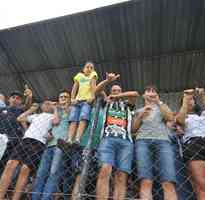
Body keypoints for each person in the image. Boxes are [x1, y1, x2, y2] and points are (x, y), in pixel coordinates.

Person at [0, 100, 59, 200]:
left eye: (49, 103)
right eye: (45, 103)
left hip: (39, 143)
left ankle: (15, 198)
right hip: (26, 140)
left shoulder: (52, 116)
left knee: (25, 169)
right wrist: (31, 110)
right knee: (10, 164)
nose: (47, 104)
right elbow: (20, 118)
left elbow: (56, 122)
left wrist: (55, 108)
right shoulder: (36, 115)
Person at [95, 72, 139, 200]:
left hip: (126, 142)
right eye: (113, 90)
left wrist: (118, 96)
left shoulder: (127, 105)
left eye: (118, 90)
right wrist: (107, 81)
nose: (115, 92)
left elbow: (135, 94)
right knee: (105, 170)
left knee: (121, 175)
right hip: (107, 139)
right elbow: (97, 90)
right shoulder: (106, 102)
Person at [132, 85, 177, 200]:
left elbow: (170, 118)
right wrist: (140, 116)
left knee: (168, 181)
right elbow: (133, 129)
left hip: (163, 141)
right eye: (148, 91)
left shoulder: (161, 106)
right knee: (145, 181)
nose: (151, 93)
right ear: (144, 95)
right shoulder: (138, 110)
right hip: (142, 141)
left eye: (153, 91)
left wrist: (158, 102)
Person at [32, 91, 71, 200]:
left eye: (65, 97)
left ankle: (46, 198)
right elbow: (53, 123)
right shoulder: (55, 111)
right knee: (41, 173)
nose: (63, 98)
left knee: (54, 172)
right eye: (61, 96)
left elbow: (57, 121)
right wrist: (54, 108)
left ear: (69, 99)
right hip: (49, 144)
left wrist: (57, 107)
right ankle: (35, 197)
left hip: (61, 144)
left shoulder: (72, 109)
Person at [62, 61, 98, 146]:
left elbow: (93, 86)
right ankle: (70, 139)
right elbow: (75, 87)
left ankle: (77, 138)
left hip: (86, 101)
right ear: (83, 69)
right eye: (87, 67)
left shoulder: (93, 75)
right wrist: (72, 98)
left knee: (83, 118)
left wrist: (92, 96)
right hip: (77, 101)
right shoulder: (79, 76)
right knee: (73, 119)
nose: (89, 69)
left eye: (91, 67)